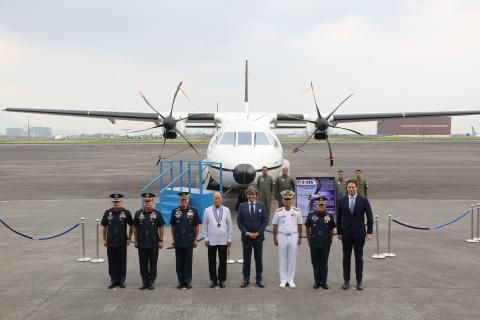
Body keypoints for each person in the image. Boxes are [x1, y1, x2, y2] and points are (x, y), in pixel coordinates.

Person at [337, 180, 373, 290]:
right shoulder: (342, 201)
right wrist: (339, 232)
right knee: (346, 258)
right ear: (346, 188)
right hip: (346, 234)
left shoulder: (363, 200)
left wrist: (369, 232)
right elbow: (338, 218)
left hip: (359, 234)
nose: (351, 189)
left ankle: (359, 281)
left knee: (359, 258)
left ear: (356, 188)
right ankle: (346, 280)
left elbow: (370, 217)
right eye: (349, 187)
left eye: (353, 187)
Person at [133, 192, 165, 290]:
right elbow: (135, 227)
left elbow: (161, 227)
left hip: (153, 243)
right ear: (143, 202)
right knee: (142, 264)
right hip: (142, 243)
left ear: (152, 201)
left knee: (153, 263)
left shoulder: (157, 213)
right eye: (145, 201)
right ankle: (144, 282)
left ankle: (151, 281)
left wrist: (161, 240)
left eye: (149, 201)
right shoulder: (138, 213)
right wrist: (136, 240)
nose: (147, 203)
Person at [237, 186, 267, 288]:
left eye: (253, 194)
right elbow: (239, 222)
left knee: (258, 259)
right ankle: (246, 278)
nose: (251, 196)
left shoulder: (261, 205)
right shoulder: (242, 206)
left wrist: (258, 233)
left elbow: (264, 221)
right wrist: (247, 233)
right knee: (246, 259)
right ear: (247, 196)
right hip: (246, 238)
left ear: (256, 196)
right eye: (249, 194)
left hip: (258, 238)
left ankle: (259, 278)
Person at [101, 193, 133, 289]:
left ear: (121, 202)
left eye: (118, 202)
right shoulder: (108, 213)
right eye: (114, 202)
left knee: (122, 261)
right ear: (112, 202)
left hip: (122, 241)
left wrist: (129, 238)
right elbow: (104, 227)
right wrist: (104, 239)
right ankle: (113, 280)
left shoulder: (126, 213)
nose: (116, 203)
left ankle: (122, 280)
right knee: (112, 261)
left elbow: (132, 225)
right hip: (110, 241)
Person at [272, 190, 302, 288]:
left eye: (289, 199)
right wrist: (275, 238)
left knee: (292, 258)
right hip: (282, 236)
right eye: (286, 199)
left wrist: (299, 237)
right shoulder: (279, 212)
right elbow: (275, 226)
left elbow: (300, 225)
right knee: (282, 258)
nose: (288, 201)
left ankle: (291, 279)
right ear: (283, 200)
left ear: (292, 200)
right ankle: (283, 279)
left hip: (293, 236)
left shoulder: (297, 211)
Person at [170, 192, 201, 289]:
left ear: (188, 200)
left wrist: (195, 239)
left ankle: (187, 281)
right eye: (182, 200)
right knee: (179, 262)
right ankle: (180, 281)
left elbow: (196, 225)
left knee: (188, 262)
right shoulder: (175, 211)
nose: (184, 202)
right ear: (179, 201)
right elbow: (173, 226)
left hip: (189, 240)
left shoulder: (193, 211)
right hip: (178, 240)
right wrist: (174, 239)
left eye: (185, 200)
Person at [202, 192, 233, 288]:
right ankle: (213, 280)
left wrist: (229, 238)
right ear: (213, 199)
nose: (217, 200)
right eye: (215, 198)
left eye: (218, 198)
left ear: (221, 199)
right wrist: (206, 238)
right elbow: (204, 225)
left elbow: (229, 225)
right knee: (212, 260)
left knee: (223, 260)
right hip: (211, 240)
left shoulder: (227, 210)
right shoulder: (207, 210)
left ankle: (221, 279)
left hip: (223, 240)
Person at [305, 196, 336, 289]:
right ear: (316, 205)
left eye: (323, 205)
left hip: (325, 243)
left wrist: (330, 240)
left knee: (324, 263)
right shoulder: (311, 215)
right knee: (315, 263)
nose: (321, 206)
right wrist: (308, 239)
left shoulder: (329, 216)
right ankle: (317, 282)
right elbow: (307, 227)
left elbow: (331, 229)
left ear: (325, 205)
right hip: (314, 243)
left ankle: (324, 282)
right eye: (319, 205)